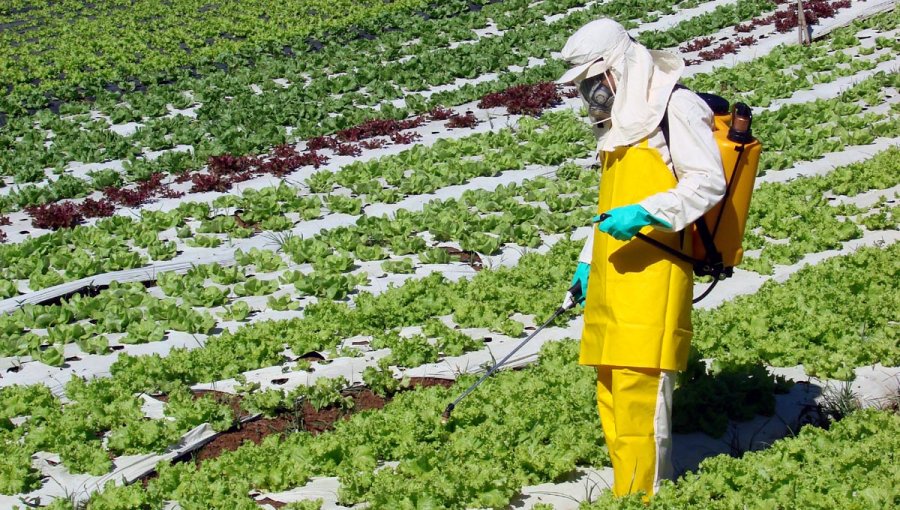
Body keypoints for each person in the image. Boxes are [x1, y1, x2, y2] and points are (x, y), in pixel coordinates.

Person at [557, 18, 726, 499]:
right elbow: (609, 207)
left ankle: (646, 495)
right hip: (613, 274)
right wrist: (589, 260)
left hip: (655, 271)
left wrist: (647, 213)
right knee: (610, 390)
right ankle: (626, 491)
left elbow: (707, 182)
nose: (591, 92)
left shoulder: (676, 107)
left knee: (641, 392)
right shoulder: (620, 126)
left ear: (619, 67)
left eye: (594, 79)